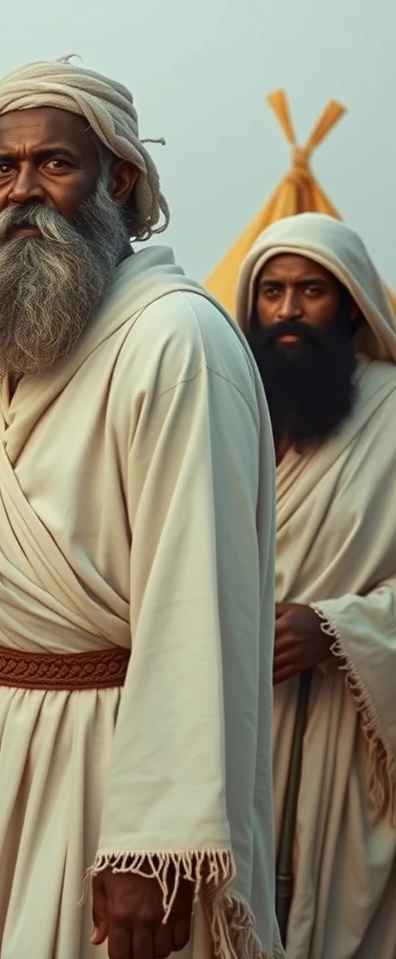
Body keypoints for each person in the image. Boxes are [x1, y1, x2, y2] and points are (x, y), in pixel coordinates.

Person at [0, 59, 280, 959]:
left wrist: (151, 843)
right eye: (1, 170)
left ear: (117, 179)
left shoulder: (176, 341)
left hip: (104, 760)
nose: (22, 193)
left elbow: (193, 602)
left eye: (53, 164)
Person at [235, 213, 396, 957]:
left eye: (311, 291)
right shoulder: (231, 407)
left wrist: (337, 628)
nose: (289, 310)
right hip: (236, 714)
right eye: (272, 291)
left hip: (351, 723)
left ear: (353, 304)